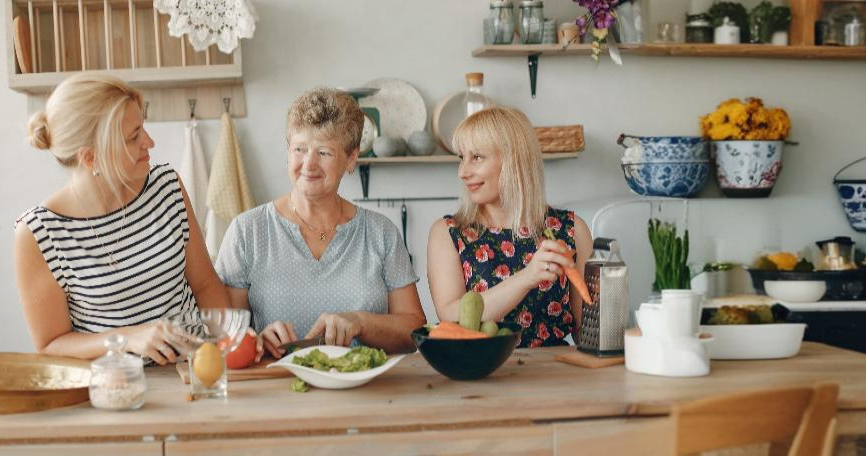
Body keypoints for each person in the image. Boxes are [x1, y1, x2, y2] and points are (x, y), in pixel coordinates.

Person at [13, 73, 229, 365]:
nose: (149, 142)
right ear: (91, 158)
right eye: (133, 136)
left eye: (143, 128)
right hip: (115, 388)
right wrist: (128, 338)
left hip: (193, 371)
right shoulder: (39, 233)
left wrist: (227, 352)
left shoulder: (166, 186)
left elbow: (206, 285)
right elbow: (51, 344)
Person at [215, 87, 425, 357]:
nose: (309, 164)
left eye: (324, 152)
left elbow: (414, 330)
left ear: (351, 158)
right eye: (299, 149)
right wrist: (254, 339)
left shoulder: (381, 232)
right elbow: (223, 335)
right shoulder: (247, 231)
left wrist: (361, 323)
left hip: (367, 393)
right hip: (278, 392)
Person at [426, 106, 594, 347]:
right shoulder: (448, 233)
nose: (463, 172)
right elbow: (453, 318)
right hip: (481, 371)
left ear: (514, 161)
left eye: (477, 157)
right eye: (461, 158)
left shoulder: (571, 230)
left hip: (556, 372)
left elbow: (586, 334)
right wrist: (528, 277)